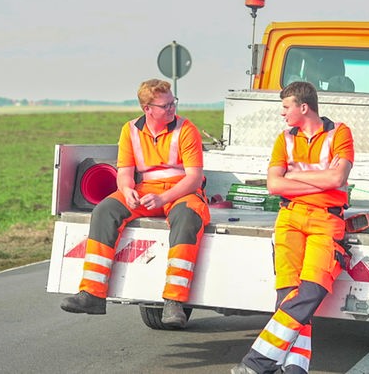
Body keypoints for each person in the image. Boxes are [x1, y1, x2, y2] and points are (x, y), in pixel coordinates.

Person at [60, 78, 210, 328]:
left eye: (173, 103)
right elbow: (125, 171)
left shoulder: (186, 129)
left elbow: (194, 178)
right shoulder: (129, 130)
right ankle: (93, 294)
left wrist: (163, 198)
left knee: (188, 216)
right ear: (147, 109)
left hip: (182, 192)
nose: (172, 109)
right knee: (105, 210)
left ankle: (174, 302)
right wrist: (126, 189)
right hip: (144, 191)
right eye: (165, 106)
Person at [232, 81, 354, 374]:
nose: (282, 113)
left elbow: (337, 180)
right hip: (289, 218)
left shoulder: (340, 133)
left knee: (311, 290)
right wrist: (319, 179)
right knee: (288, 294)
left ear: (303, 107)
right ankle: (295, 369)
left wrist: (295, 179)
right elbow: (274, 185)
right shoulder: (284, 138)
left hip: (326, 219)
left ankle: (257, 362)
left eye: (286, 107)